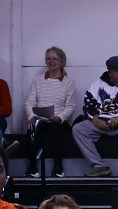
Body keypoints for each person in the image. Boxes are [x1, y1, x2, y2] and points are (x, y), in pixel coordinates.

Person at [23, 46, 78, 178]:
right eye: (48, 58)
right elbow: (29, 102)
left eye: (55, 59)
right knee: (33, 128)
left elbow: (71, 106)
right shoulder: (38, 80)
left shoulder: (69, 83)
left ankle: (58, 168)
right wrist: (31, 116)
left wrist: (59, 117)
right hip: (41, 119)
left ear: (61, 61)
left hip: (59, 121)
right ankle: (32, 168)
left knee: (55, 128)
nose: (51, 61)